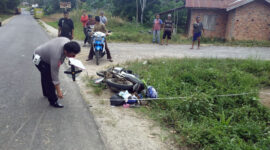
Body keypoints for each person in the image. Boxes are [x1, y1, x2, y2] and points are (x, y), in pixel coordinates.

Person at [33, 37, 81, 108]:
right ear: (65, 51)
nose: (74, 56)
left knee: (45, 75)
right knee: (49, 78)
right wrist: (58, 91)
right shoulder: (56, 56)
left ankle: (46, 93)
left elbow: (64, 57)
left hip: (43, 53)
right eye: (73, 55)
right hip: (39, 59)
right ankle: (53, 101)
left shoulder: (67, 41)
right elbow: (54, 77)